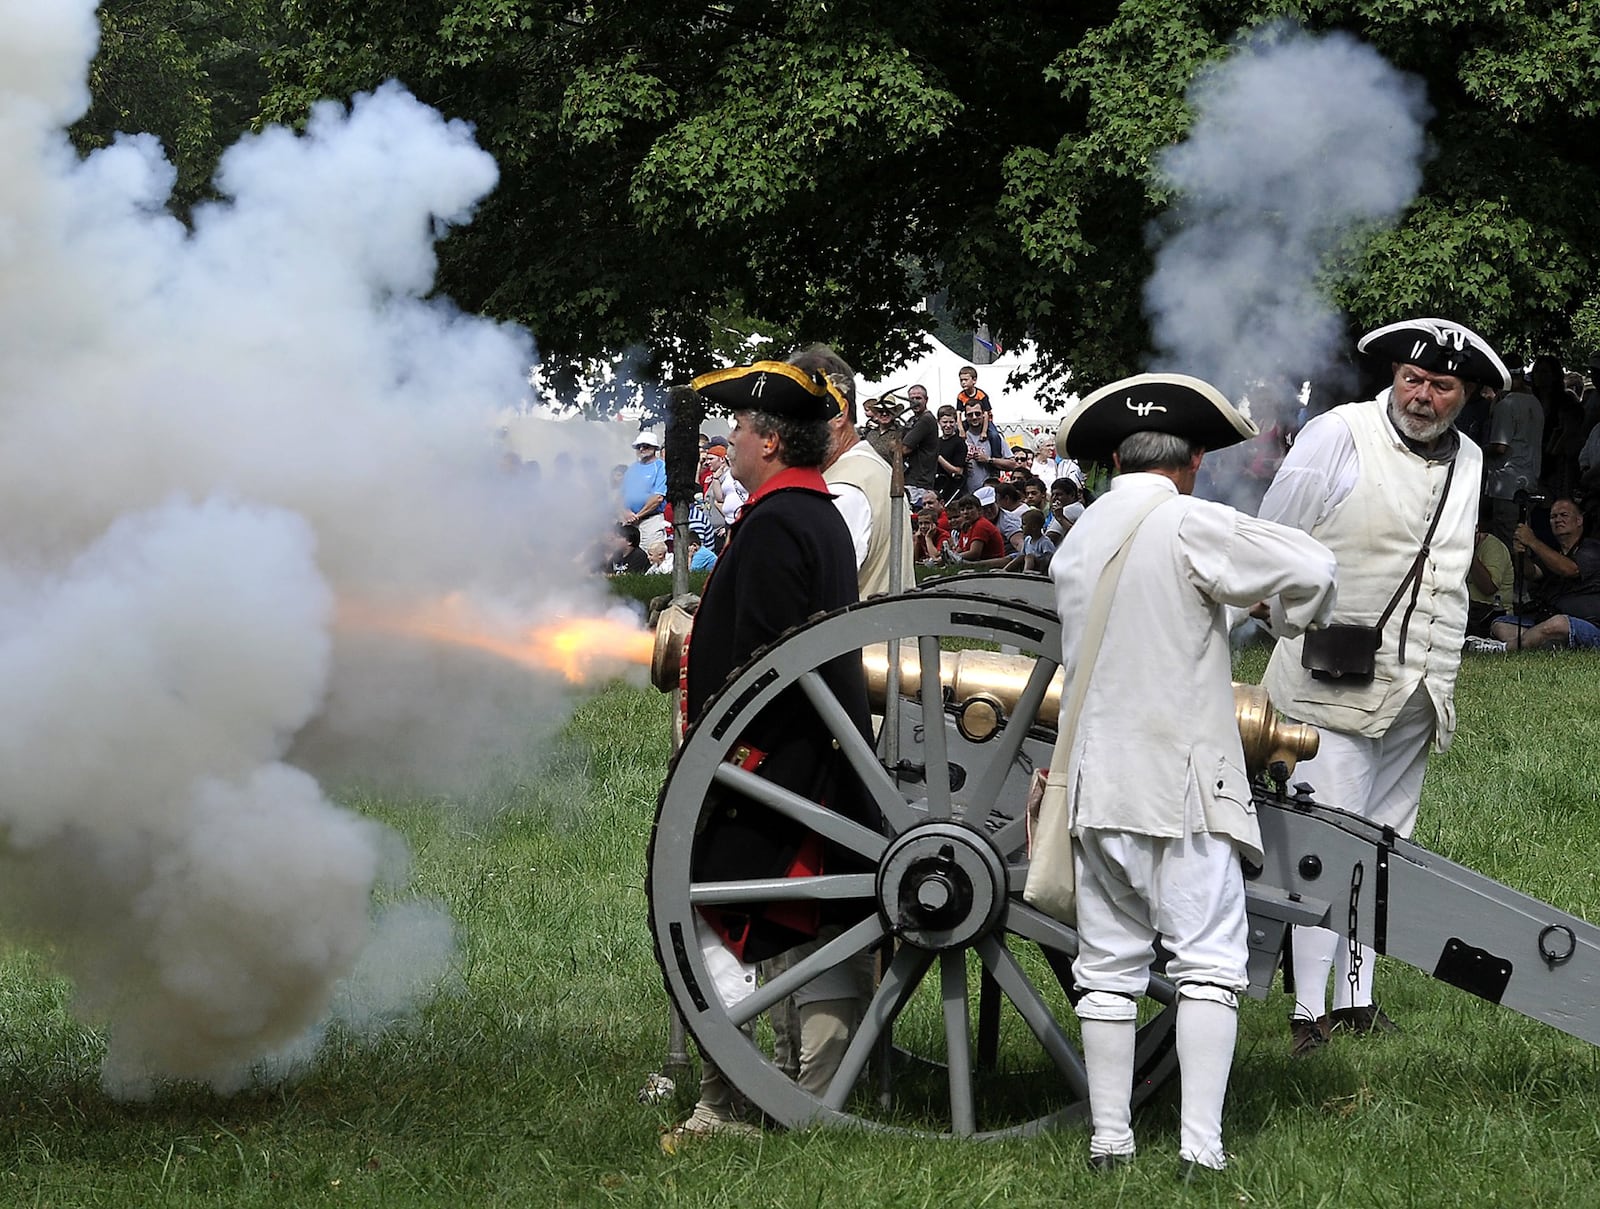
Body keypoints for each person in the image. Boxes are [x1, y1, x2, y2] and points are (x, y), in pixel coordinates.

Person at [1047, 372, 1336, 1175]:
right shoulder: (1188, 521)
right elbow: (1311, 567)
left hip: (1099, 783)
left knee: (1106, 969)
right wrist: (1276, 615)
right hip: (1183, 784)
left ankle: (1110, 1141)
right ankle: (1199, 1151)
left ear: (1114, 458)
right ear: (1195, 458)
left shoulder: (1078, 536)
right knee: (1208, 964)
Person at [1259, 317, 1508, 1055]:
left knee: (1386, 844)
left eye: (1442, 384)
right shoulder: (1337, 433)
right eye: (1413, 378)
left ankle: (1359, 1000)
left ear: (1465, 396)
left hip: (1418, 687)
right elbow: (1276, 540)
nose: (1423, 395)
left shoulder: (1467, 457)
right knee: (1321, 849)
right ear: (1392, 376)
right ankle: (1307, 1012)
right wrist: (1285, 622)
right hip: (1328, 677)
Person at [670, 358, 877, 1140]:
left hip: (768, 765)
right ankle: (811, 1088)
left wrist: (722, 763)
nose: (728, 443)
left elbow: (761, 669)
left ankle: (733, 1095)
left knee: (703, 911)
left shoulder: (776, 523)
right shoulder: (813, 514)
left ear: (769, 439)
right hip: (809, 759)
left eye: (737, 431)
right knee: (816, 927)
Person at [798, 344, 915, 597]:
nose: (791, 430)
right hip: (881, 631)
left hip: (861, 636)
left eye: (800, 414)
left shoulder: (844, 489)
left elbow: (818, 593)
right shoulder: (865, 467)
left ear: (839, 414)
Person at [1488, 498, 1600, 650]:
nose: (1558, 519)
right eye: (1553, 517)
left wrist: (1533, 541)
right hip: (1548, 620)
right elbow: (1532, 573)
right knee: (1500, 624)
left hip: (1588, 626)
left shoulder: (1592, 548)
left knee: (1558, 623)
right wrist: (1521, 554)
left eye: (1564, 515)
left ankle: (1503, 649)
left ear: (1579, 520)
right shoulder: (1554, 553)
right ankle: (1544, 641)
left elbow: (1570, 569)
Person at [1483, 366, 1543, 550]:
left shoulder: (1507, 405)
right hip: (1528, 480)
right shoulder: (1535, 403)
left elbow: (1500, 446)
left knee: (1506, 544)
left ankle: (1511, 578)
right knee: (1522, 541)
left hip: (1507, 485)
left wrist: (1476, 450)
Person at [621, 430, 669, 548]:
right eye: (639, 446)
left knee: (651, 554)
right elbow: (621, 495)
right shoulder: (632, 469)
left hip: (651, 520)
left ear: (654, 448)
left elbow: (658, 497)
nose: (641, 449)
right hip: (629, 521)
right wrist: (626, 512)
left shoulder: (661, 467)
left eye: (646, 446)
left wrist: (638, 515)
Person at [961, 398, 1017, 492]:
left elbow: (1012, 465)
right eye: (970, 415)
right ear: (966, 417)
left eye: (977, 413)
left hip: (990, 495)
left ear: (983, 414)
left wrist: (989, 460)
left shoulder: (994, 438)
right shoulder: (961, 437)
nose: (974, 417)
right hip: (966, 496)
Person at [900, 385, 939, 503]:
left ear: (926, 400)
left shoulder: (925, 420)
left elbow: (904, 449)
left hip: (919, 482)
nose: (915, 402)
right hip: (911, 479)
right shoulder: (913, 420)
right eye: (912, 399)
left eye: (918, 398)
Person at [943, 493, 1007, 564]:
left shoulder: (981, 525)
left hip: (990, 563)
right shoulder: (966, 526)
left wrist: (953, 557)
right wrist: (947, 556)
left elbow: (974, 553)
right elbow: (960, 549)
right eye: (962, 510)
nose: (965, 512)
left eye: (969, 508)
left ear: (979, 510)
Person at [933, 404, 968, 502]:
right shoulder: (936, 442)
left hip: (952, 492)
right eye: (944, 422)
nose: (948, 425)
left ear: (956, 422)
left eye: (951, 422)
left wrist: (938, 457)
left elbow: (958, 471)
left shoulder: (959, 443)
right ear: (938, 422)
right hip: (936, 488)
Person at [1003, 507, 1054, 573]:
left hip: (1041, 567)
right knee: (1021, 556)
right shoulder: (1027, 540)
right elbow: (1022, 555)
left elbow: (1049, 558)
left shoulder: (1044, 542)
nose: (1021, 526)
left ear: (1034, 527)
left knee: (1029, 556)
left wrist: (1038, 561)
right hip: (1029, 562)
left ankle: (1027, 570)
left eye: (1024, 524)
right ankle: (1005, 569)